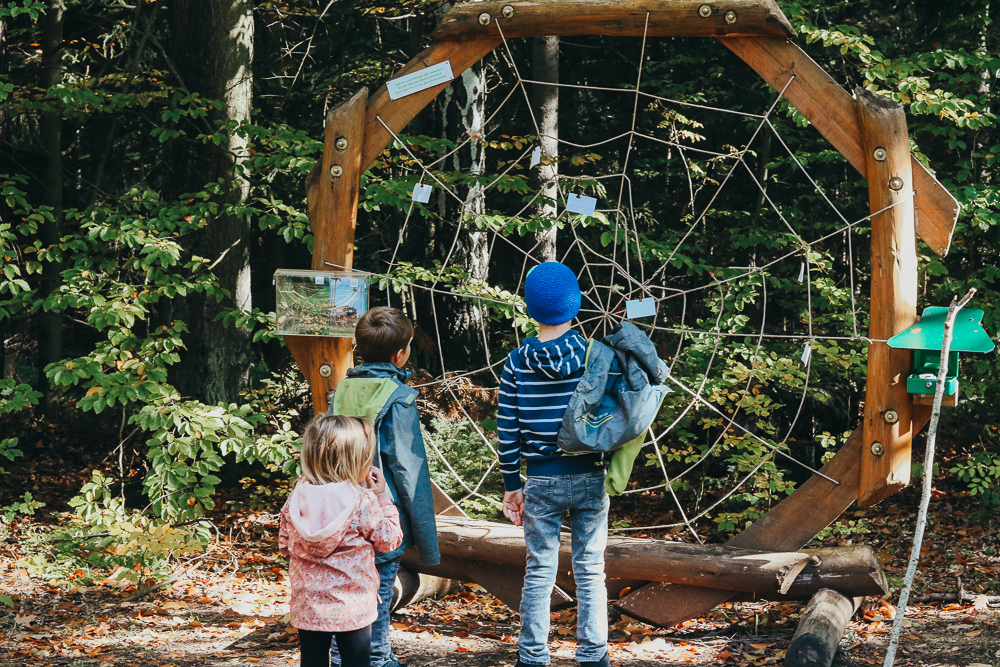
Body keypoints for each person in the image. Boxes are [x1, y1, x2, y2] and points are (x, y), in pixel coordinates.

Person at [497, 262, 611, 667]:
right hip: (590, 475)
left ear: (530, 308)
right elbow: (611, 414)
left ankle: (532, 657)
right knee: (591, 569)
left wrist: (513, 483)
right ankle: (594, 656)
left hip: (540, 478)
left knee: (539, 569)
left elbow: (507, 428)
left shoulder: (515, 362)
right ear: (576, 305)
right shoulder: (595, 356)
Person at [328, 306, 441, 667]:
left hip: (341, 512)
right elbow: (410, 472)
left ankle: (339, 655)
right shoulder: (399, 398)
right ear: (401, 353)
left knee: (345, 589)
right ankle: (376, 658)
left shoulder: (341, 392)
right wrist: (427, 539)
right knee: (377, 591)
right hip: (380, 515)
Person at [279, 415, 403, 667]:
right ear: (354, 461)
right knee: (356, 662)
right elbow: (389, 540)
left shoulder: (297, 496)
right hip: (353, 605)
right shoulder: (361, 502)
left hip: (308, 603)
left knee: (312, 662)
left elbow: (284, 544)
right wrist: (384, 500)